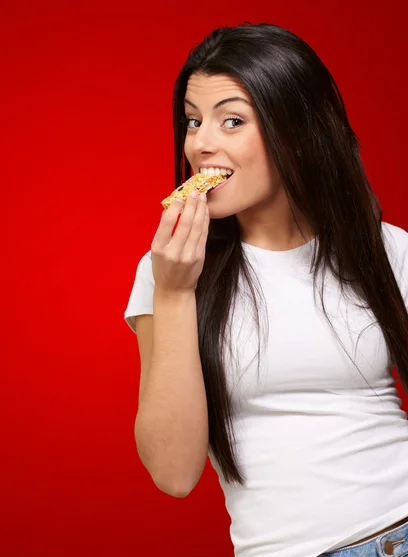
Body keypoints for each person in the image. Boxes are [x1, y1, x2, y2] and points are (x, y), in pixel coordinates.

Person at [123, 22, 408, 557]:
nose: (201, 142)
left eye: (232, 120)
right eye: (192, 120)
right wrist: (175, 292)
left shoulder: (387, 250)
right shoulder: (166, 270)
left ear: (295, 132)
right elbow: (174, 472)